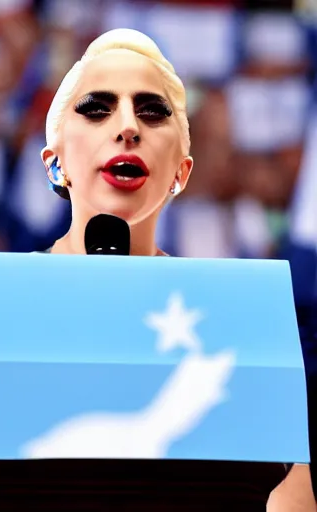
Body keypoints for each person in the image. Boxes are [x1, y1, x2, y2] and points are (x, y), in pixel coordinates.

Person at [35, 28, 315, 510]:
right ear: (54, 163)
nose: (127, 126)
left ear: (182, 172)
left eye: (152, 111)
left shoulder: (248, 325)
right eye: (97, 108)